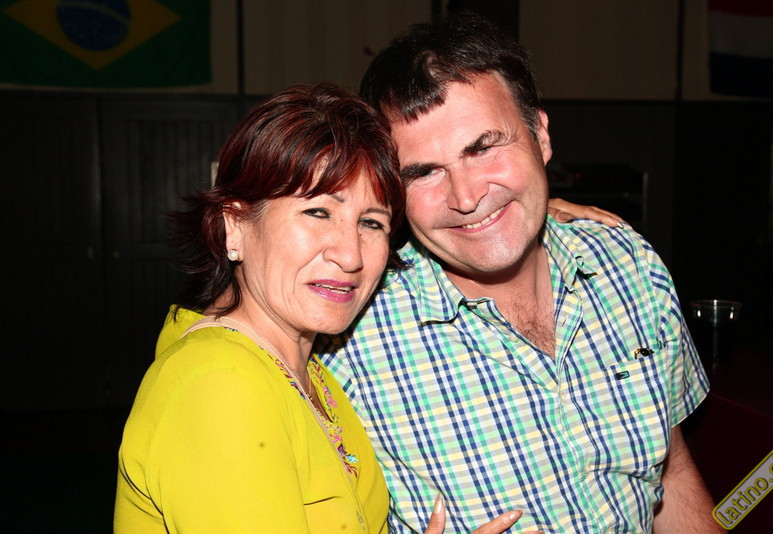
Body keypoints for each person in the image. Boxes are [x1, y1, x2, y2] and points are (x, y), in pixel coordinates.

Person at [318, 12, 723, 533]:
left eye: (483, 147)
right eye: (425, 172)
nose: (467, 197)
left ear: (541, 136)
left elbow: (671, 469)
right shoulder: (350, 333)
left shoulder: (628, 265)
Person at [114, 83, 548, 533]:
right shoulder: (220, 384)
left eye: (371, 223)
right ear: (235, 225)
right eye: (318, 213)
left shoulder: (305, 366)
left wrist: (529, 210)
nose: (350, 255)